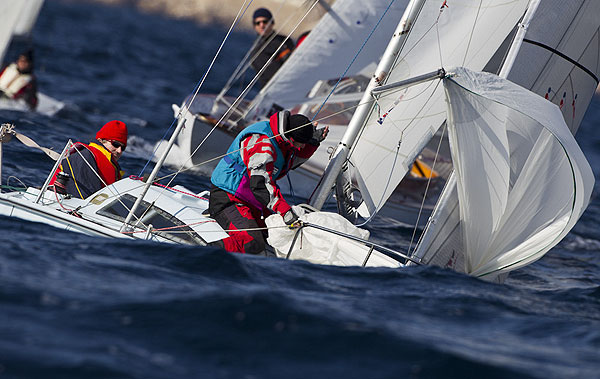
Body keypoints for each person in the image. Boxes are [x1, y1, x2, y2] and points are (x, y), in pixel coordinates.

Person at [209, 111, 328, 255]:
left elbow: (289, 160)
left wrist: (312, 142)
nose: (302, 147)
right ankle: (202, 254)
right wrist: (284, 211)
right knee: (252, 243)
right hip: (228, 198)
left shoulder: (283, 138)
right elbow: (259, 184)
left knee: (277, 237)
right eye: (301, 144)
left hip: (253, 202)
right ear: (290, 138)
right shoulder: (262, 141)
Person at [49, 120, 128, 199]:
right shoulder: (85, 156)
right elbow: (81, 196)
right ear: (101, 140)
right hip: (60, 203)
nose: (119, 151)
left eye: (123, 148)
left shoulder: (111, 165)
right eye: (116, 144)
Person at [250, 8, 295, 86]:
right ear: (254, 26)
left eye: (265, 22)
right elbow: (270, 73)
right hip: (274, 91)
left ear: (272, 23)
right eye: (258, 23)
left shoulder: (285, 40)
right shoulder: (256, 52)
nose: (262, 25)